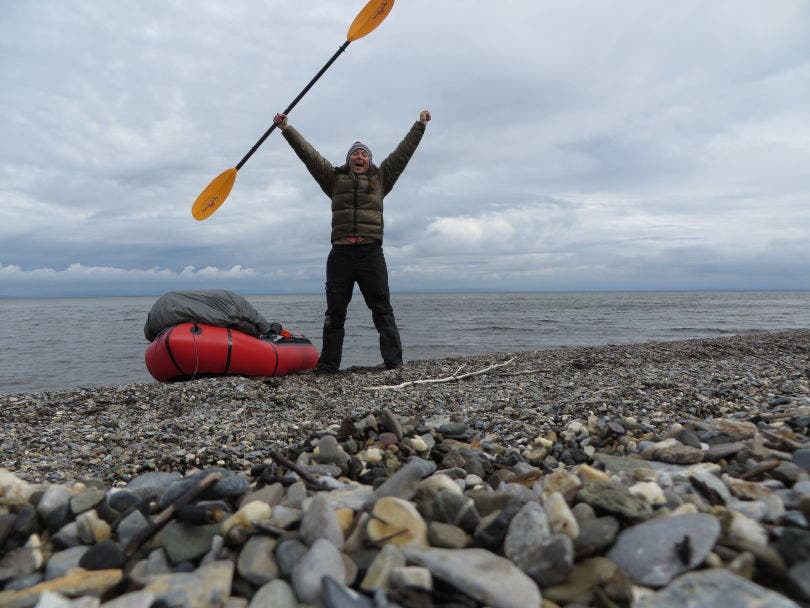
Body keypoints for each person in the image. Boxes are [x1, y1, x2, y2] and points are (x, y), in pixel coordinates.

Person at [273, 109, 431, 373]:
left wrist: (419, 126)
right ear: (349, 159)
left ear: (370, 160)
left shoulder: (381, 179)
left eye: (364, 153)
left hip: (370, 253)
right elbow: (308, 155)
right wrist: (286, 129)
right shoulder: (333, 179)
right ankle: (328, 365)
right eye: (355, 153)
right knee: (334, 312)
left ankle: (394, 362)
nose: (360, 156)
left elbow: (403, 153)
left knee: (381, 307)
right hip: (341, 254)